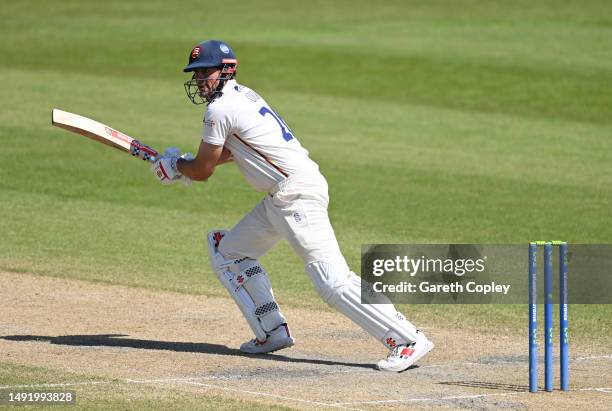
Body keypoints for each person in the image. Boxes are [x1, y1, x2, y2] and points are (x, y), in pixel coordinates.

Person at [150, 39, 434, 372]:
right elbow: (230, 153)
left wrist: (177, 168)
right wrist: (182, 164)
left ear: (227, 70)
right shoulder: (243, 95)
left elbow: (203, 170)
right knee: (228, 253)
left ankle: (407, 339)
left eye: (205, 72)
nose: (200, 80)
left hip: (295, 193)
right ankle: (272, 331)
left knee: (331, 279)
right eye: (196, 74)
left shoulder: (218, 109)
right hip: (280, 197)